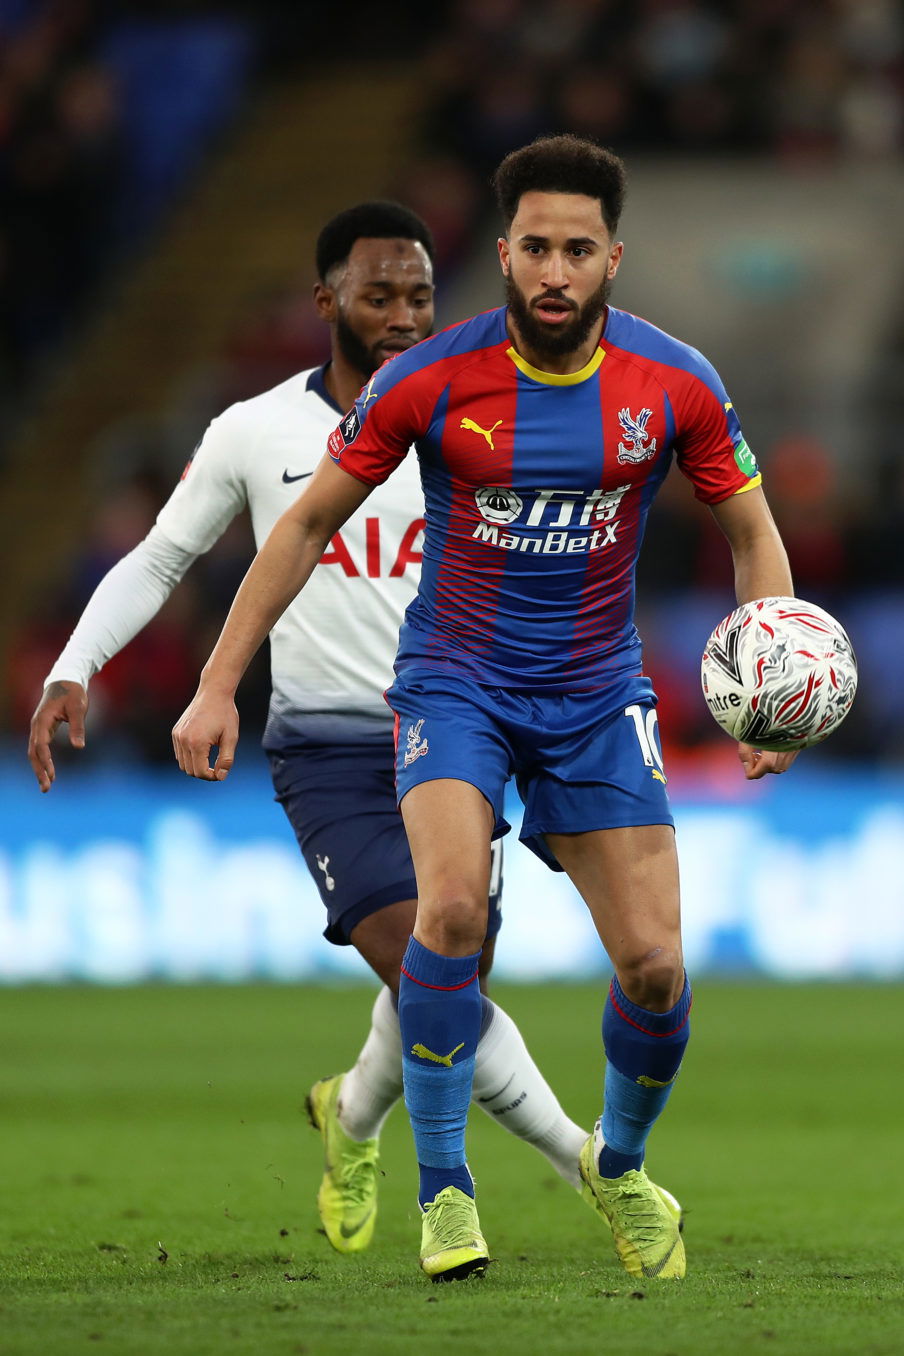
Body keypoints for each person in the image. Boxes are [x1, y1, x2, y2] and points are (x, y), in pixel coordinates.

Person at [171, 138, 793, 1284]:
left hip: (596, 695)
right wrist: (218, 679)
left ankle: (619, 1166)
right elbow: (305, 525)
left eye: (578, 250)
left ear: (614, 258)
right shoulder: (433, 378)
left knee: (655, 967)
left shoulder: (677, 382)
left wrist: (769, 680)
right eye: (536, 248)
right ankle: (444, 1190)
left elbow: (751, 532)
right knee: (450, 915)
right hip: (456, 683)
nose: (555, 271)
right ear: (503, 253)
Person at [27, 200, 630, 1258]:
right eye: (377, 294)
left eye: (418, 297)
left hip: (464, 731)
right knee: (422, 967)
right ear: (327, 302)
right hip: (333, 747)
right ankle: (588, 1165)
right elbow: (163, 558)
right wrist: (78, 663)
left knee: (449, 982)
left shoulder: (480, 417)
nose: (401, 316)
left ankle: (351, 1113)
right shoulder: (255, 431)